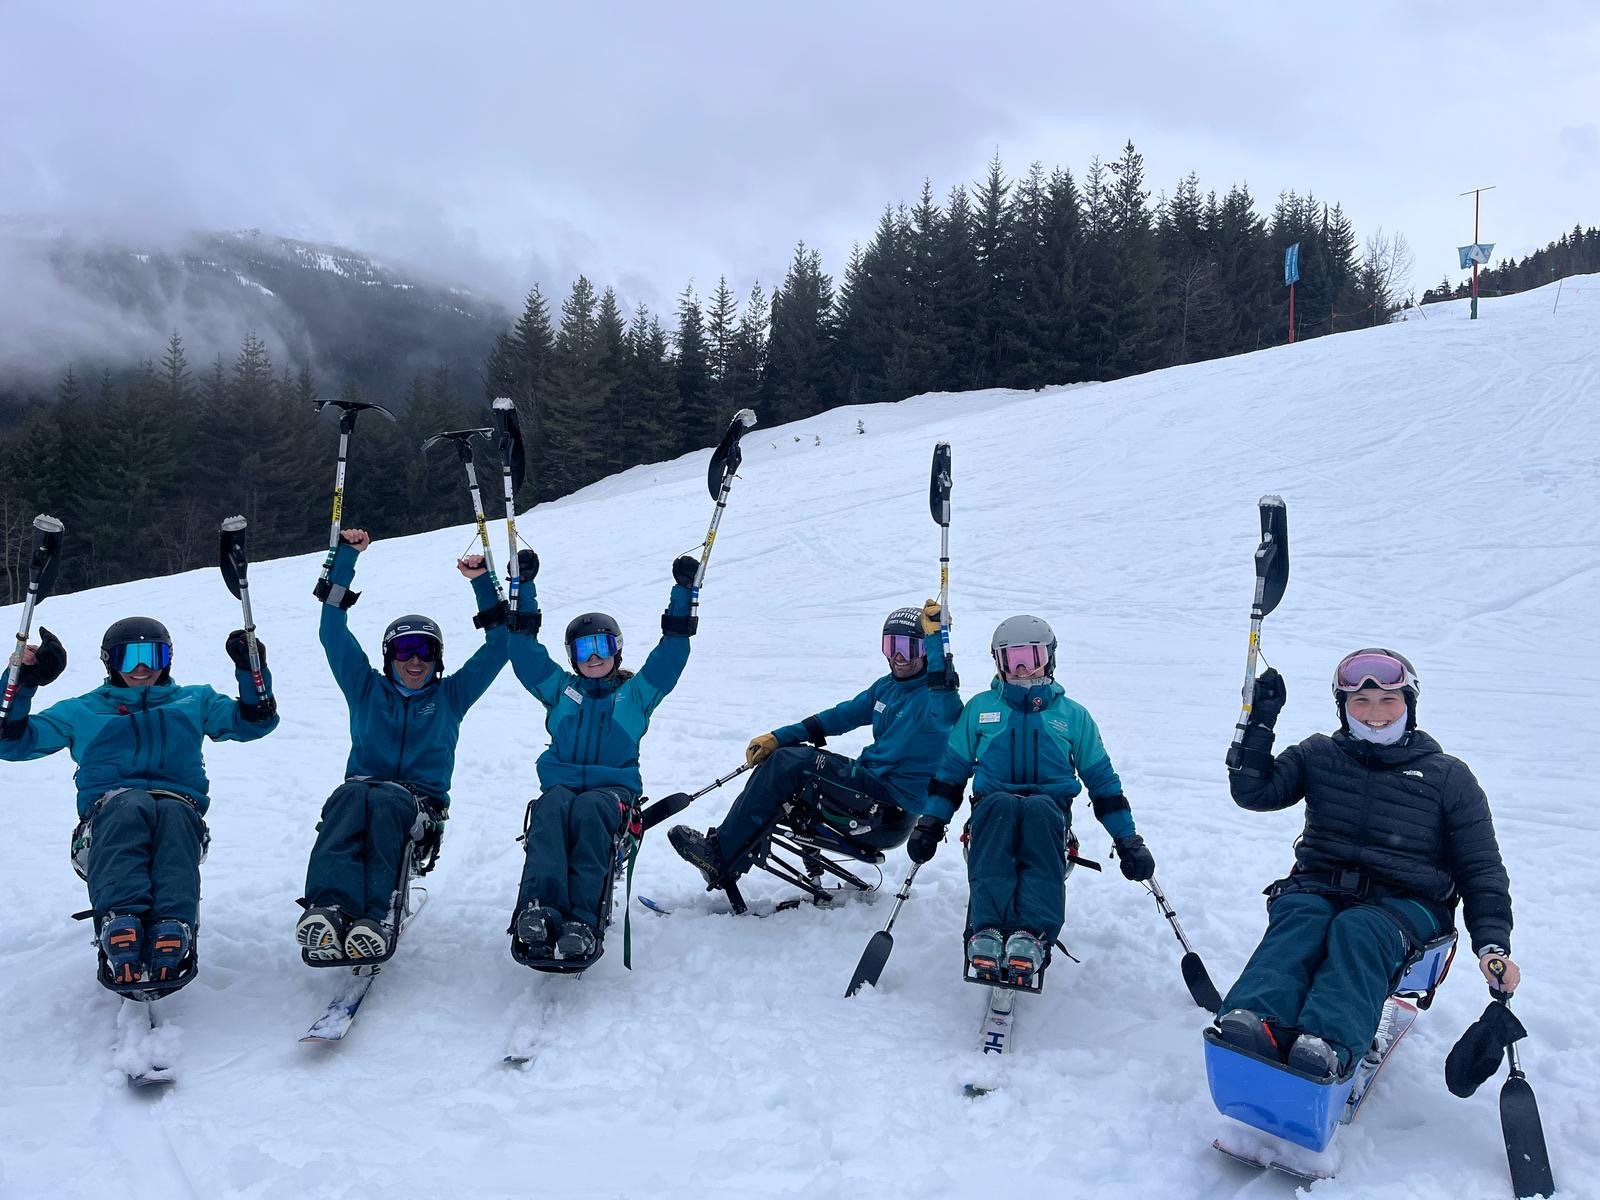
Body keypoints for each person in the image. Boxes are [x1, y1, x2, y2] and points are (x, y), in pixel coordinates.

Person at [1214, 648, 1518, 1080]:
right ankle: (1255, 1022)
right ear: (1343, 707)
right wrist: (1259, 721)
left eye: (1388, 700)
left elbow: (1481, 868)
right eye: (1361, 701)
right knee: (1302, 916)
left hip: (1408, 904)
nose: (1375, 712)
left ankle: (1328, 1043)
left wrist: (1492, 945)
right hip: (1321, 886)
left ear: (1409, 704)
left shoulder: (1448, 777)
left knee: (1359, 929)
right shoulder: (1319, 754)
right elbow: (1254, 792)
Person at [0, 616, 278, 989]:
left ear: (168, 659)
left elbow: (256, 721)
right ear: (109, 662)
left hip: (179, 812)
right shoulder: (82, 711)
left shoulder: (194, 701)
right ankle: (121, 921)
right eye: (128, 658)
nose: (142, 668)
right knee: (130, 804)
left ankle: (172, 926)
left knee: (173, 811)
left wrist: (251, 669)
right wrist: (21, 681)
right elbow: (10, 742)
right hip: (107, 821)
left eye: (153, 655)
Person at [296, 528, 509, 963]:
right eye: (405, 649)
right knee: (348, 799)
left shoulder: (451, 696)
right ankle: (328, 909)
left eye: (425, 651)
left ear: (438, 659)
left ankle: (376, 915)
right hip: (361, 793)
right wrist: (345, 558)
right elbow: (332, 631)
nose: (415, 660)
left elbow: (502, 645)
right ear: (388, 655)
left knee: (385, 801)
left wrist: (482, 583)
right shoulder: (365, 688)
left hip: (419, 809)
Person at [915, 614, 1154, 988]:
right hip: (991, 810)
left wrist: (1128, 839)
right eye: (1011, 658)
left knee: (1039, 809)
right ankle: (986, 930)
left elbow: (1103, 783)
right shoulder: (980, 709)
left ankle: (1033, 935)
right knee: (1000, 806)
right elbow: (951, 774)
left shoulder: (1073, 716)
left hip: (1050, 813)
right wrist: (931, 823)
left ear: (1049, 658)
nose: (1022, 668)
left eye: (1031, 656)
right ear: (999, 662)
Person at [668, 602, 962, 894]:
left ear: (926, 651)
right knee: (784, 759)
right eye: (891, 646)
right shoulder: (887, 687)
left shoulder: (933, 698)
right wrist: (779, 737)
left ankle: (721, 856)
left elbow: (948, 713)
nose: (898, 657)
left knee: (791, 763)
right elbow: (840, 717)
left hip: (887, 813)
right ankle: (727, 851)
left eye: (909, 649)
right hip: (868, 790)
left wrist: (938, 644)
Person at [506, 548, 698, 963]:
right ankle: (538, 911)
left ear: (617, 650)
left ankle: (582, 921)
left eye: (602, 646)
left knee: (591, 810)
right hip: (561, 786)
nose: (593, 657)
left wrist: (684, 595)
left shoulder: (635, 695)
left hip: (611, 793)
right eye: (583, 650)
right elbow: (522, 653)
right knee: (552, 809)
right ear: (572, 657)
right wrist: (523, 588)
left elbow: (671, 656)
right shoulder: (560, 691)